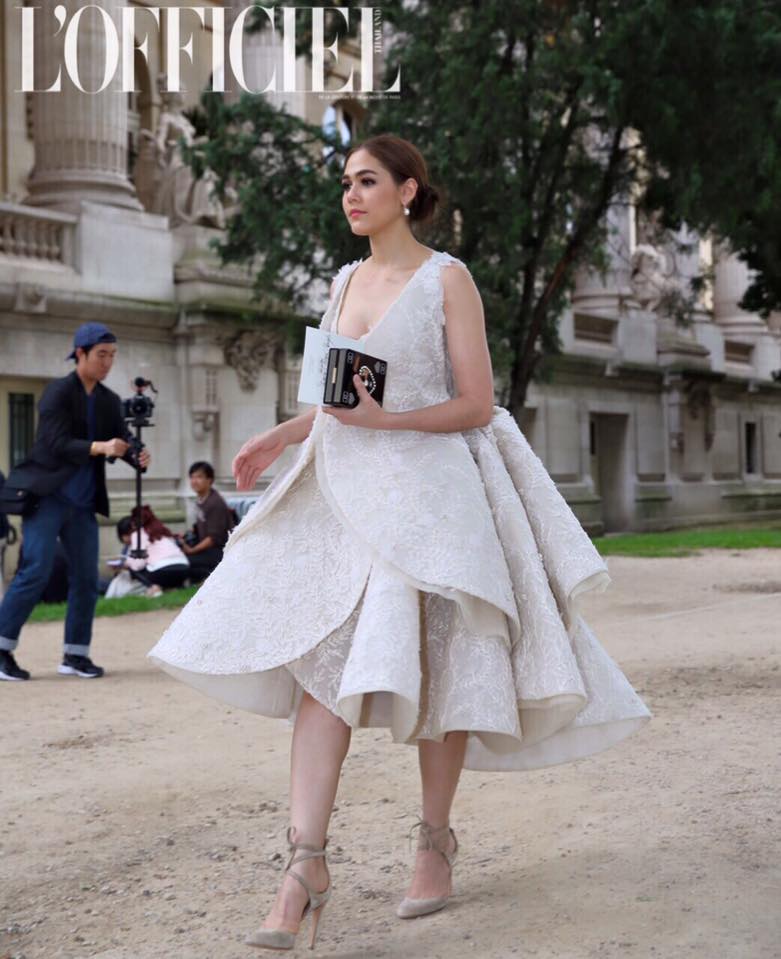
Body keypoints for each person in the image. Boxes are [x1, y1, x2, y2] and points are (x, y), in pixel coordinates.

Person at [148, 134, 652, 950]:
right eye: (346, 182)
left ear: (408, 191)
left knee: (444, 666)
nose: (351, 195)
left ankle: (433, 842)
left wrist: (389, 422)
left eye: (367, 181)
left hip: (430, 498)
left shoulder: (447, 278)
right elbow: (335, 399)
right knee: (321, 671)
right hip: (344, 493)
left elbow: (476, 403)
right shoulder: (343, 280)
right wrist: (280, 435)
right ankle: (303, 864)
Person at [0, 322, 151, 681]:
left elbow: (122, 440)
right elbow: (55, 443)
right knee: (35, 571)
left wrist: (137, 455)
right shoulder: (57, 392)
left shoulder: (109, 401)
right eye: (101, 355)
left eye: (112, 355)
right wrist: (101, 446)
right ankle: (2, 648)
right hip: (48, 497)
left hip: (83, 504)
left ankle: (75, 655)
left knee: (86, 578)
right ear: (80, 353)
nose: (107, 362)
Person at [177, 461, 235, 583]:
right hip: (209, 549)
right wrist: (187, 535)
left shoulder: (215, 503)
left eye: (199, 477)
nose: (194, 481)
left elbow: (213, 538)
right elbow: (201, 526)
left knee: (184, 561)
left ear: (210, 480)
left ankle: (211, 575)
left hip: (220, 551)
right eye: (192, 477)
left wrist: (192, 550)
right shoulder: (202, 499)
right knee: (181, 558)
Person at [120, 507, 190, 594]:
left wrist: (127, 562)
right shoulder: (162, 529)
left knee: (133, 568)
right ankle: (175, 586)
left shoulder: (138, 534)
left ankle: (154, 588)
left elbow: (138, 565)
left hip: (162, 571)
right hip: (184, 568)